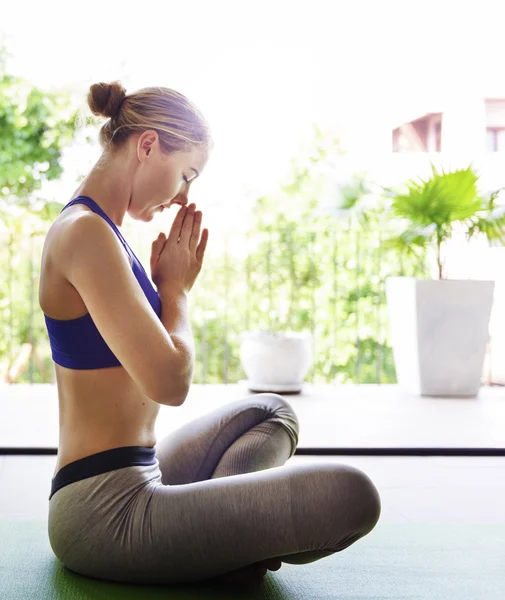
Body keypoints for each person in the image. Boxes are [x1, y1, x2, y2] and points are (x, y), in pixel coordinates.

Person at [39, 80, 381, 588]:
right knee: (355, 495)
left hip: (145, 471)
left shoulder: (104, 233)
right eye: (185, 175)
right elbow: (170, 384)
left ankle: (220, 546)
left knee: (272, 412)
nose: (183, 197)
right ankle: (224, 550)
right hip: (103, 512)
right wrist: (175, 291)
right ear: (148, 144)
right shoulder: (84, 233)